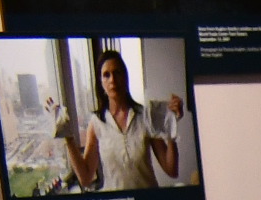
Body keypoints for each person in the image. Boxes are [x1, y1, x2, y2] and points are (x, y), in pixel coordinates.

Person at [62, 48, 177, 191]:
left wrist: (171, 125)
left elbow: (171, 170)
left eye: (117, 72)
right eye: (106, 75)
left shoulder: (145, 116)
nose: (112, 80)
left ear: (125, 77)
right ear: (101, 83)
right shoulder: (97, 123)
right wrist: (68, 138)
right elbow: (85, 178)